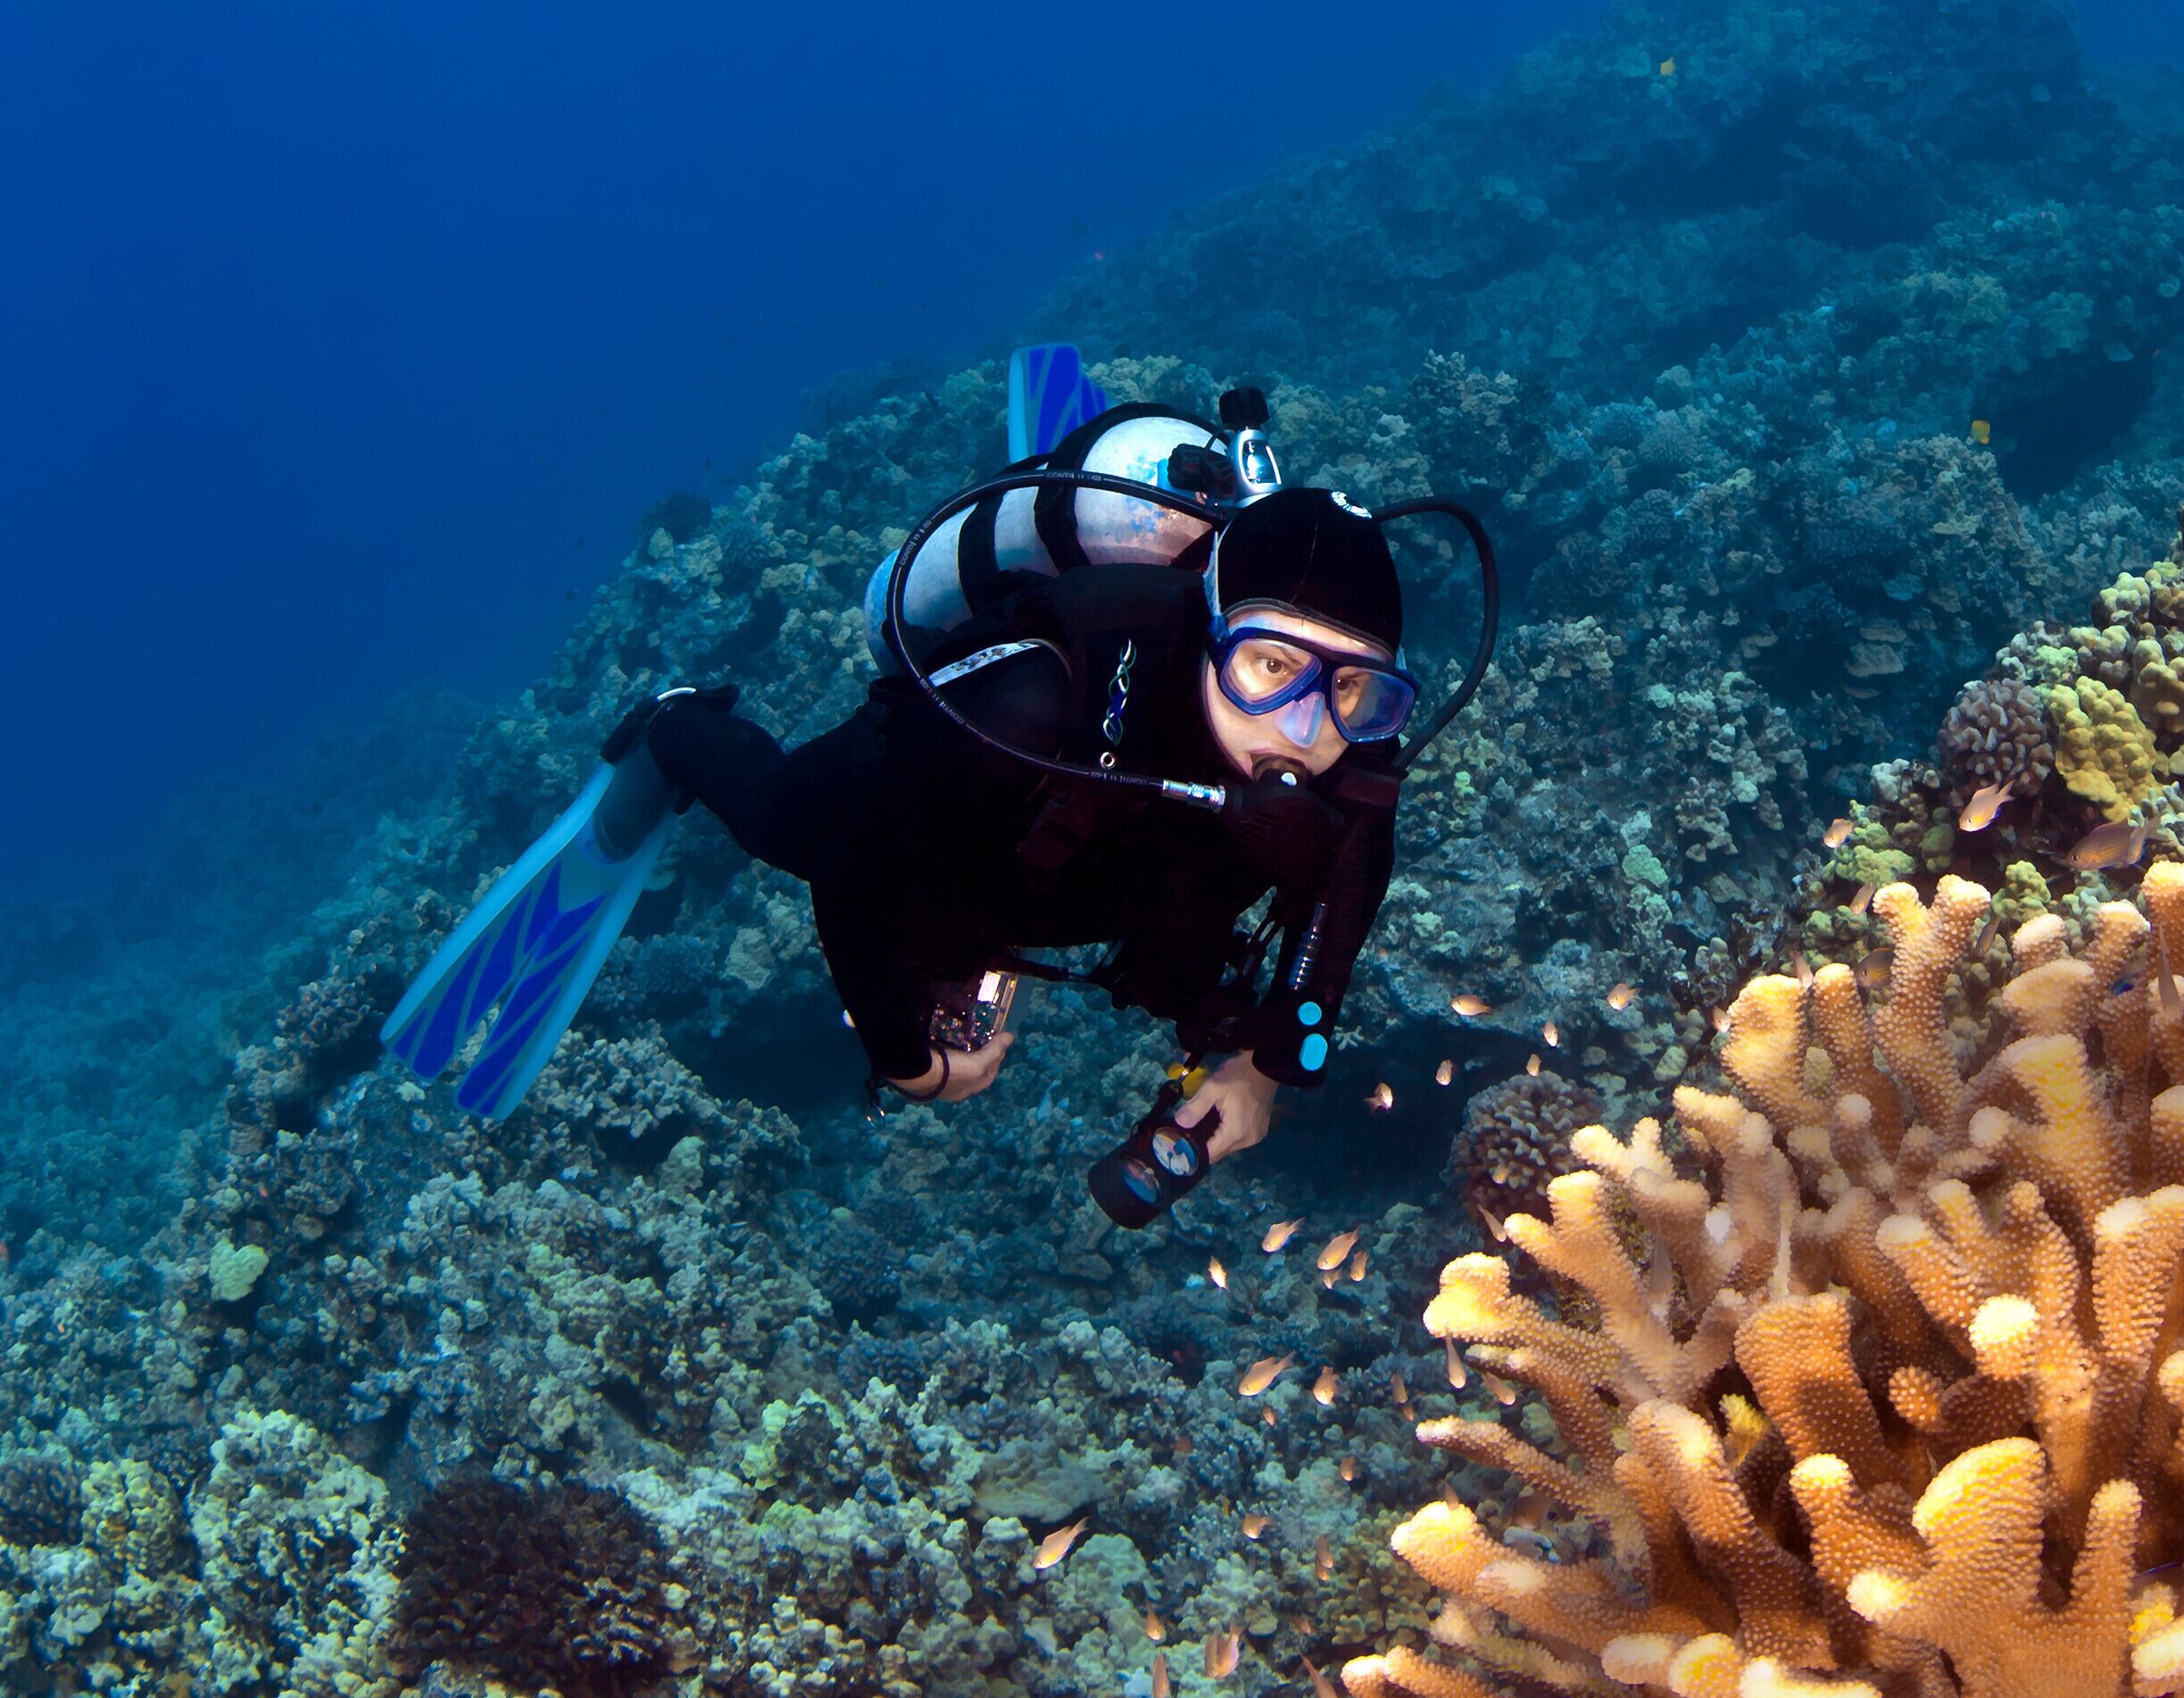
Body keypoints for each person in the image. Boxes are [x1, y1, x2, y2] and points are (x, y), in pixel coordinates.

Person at [385, 367, 1449, 1198]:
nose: (1303, 725)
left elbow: (1345, 891)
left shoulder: (1353, 738)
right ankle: (677, 729)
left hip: (1104, 854)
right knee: (783, 823)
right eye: (1268, 665)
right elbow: (850, 876)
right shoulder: (1033, 701)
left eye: (1354, 689)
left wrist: (1265, 1066)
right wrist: (909, 1063)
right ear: (1206, 627)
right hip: (977, 783)